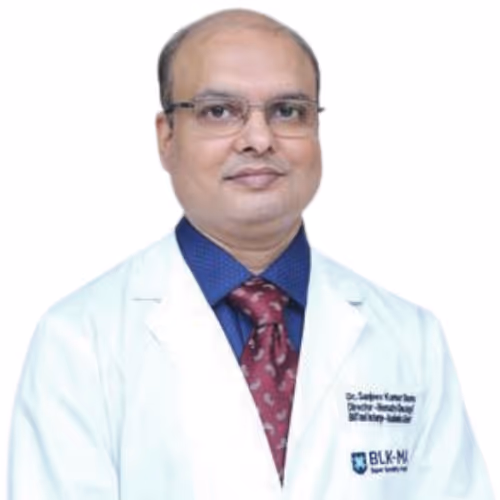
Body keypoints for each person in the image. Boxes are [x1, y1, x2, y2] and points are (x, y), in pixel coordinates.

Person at [8, 8, 494, 500]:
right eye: (219, 111)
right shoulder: (79, 340)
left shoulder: (410, 338)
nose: (260, 139)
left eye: (288, 111)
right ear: (166, 137)